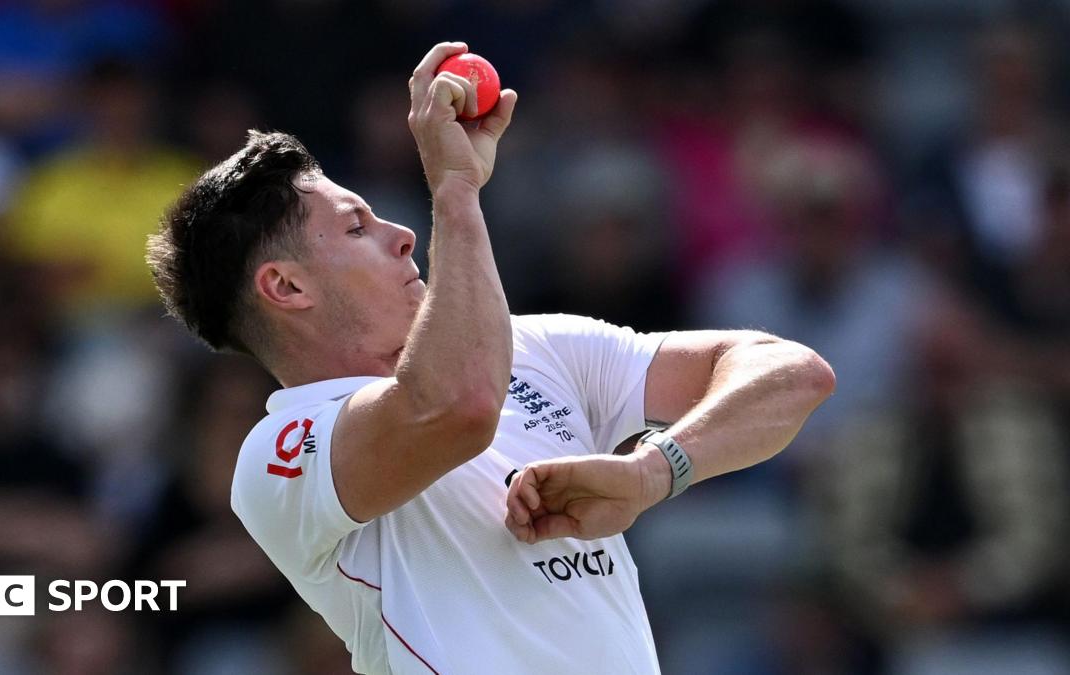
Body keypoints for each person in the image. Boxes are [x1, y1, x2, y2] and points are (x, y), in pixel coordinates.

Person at [146, 42, 835, 675]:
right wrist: (455, 190)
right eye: (358, 225)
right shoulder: (282, 452)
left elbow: (792, 373)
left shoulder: (537, 347)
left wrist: (652, 471)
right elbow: (459, 404)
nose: (401, 233)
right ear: (286, 287)